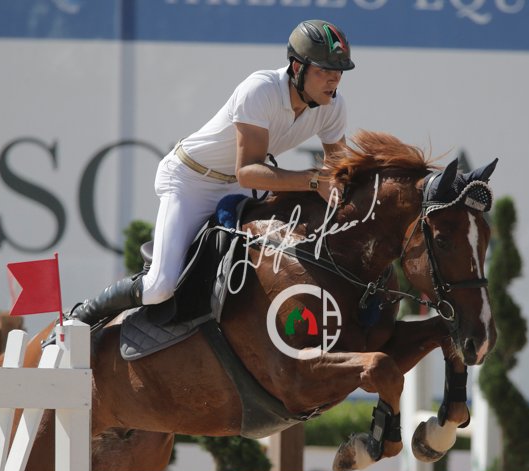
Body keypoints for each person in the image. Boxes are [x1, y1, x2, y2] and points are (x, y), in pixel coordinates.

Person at [67, 19, 355, 329]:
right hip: (190, 180)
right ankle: (81, 315)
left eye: (339, 72)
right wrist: (312, 180)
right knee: (159, 286)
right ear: (297, 68)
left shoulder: (332, 106)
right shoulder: (261, 89)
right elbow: (248, 172)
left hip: (238, 188)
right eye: (325, 70)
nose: (334, 80)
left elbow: (338, 170)